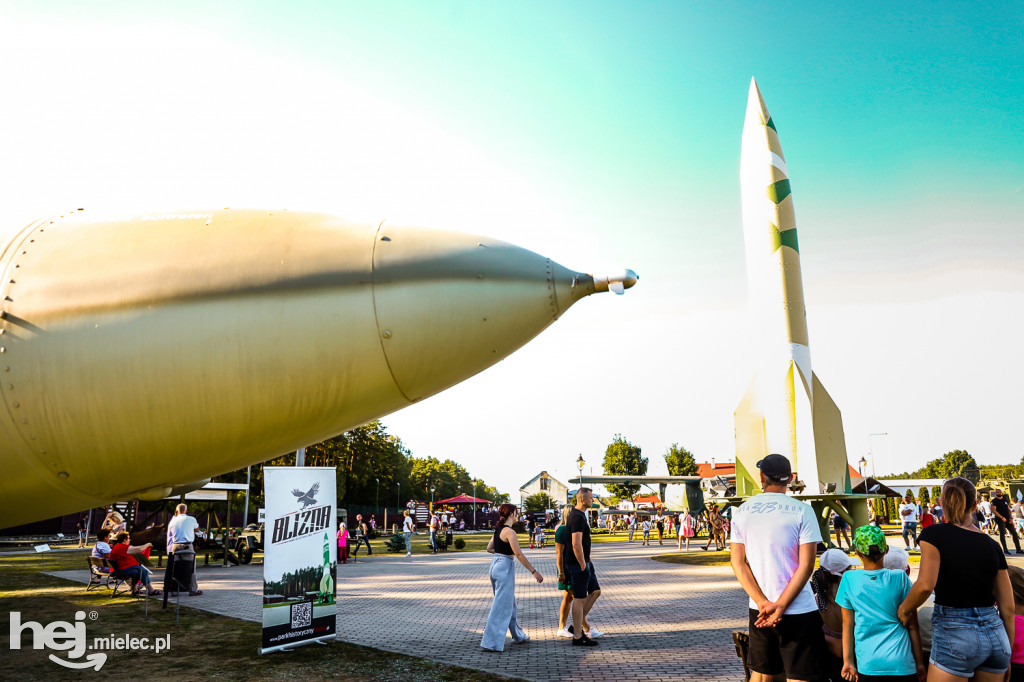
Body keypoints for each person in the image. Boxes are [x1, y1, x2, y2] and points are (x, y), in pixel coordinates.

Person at [898, 477, 1013, 680]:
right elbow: (1008, 608)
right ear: (975, 505)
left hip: (955, 631)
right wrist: (1008, 654)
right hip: (996, 635)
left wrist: (905, 609)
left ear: (942, 503)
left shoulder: (933, 535)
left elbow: (925, 585)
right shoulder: (992, 544)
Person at [730, 453, 827, 681]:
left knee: (763, 675)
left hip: (760, 609)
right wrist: (781, 605)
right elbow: (807, 565)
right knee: (800, 675)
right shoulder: (802, 510)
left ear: (762, 476)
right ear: (790, 478)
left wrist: (763, 602)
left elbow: (737, 562)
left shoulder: (743, 511)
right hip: (799, 607)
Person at [837, 524, 924, 682]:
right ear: (886, 550)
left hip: (868, 665)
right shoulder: (900, 577)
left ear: (857, 552)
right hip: (902, 663)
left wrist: (848, 662)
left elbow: (847, 625)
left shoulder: (849, 579)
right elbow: (913, 625)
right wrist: (919, 663)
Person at [480, 504, 542, 652]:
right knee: (501, 606)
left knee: (509, 603)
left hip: (495, 565)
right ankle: (491, 642)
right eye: (516, 512)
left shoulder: (499, 529)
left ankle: (518, 635)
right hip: (504, 568)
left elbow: (489, 548)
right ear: (511, 514)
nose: (518, 515)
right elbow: (519, 554)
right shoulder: (510, 532)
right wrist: (534, 572)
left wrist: (502, 552)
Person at [810, 548, 861, 677]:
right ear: (845, 572)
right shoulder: (854, 597)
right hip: (854, 656)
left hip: (827, 656)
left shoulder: (818, 599)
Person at [564, 488, 602, 647]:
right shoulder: (577, 517)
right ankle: (578, 637)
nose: (593, 500)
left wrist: (588, 561)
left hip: (586, 561)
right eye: (591, 498)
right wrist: (582, 564)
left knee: (595, 591)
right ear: (583, 499)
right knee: (579, 598)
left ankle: (576, 627)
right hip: (577, 564)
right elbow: (575, 543)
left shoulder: (579, 515)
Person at [166, 503, 203, 596]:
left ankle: (174, 590)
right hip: (188, 545)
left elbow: (170, 534)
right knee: (191, 568)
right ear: (185, 510)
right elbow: (196, 529)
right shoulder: (191, 519)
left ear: (177, 511)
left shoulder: (172, 521)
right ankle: (193, 589)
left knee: (174, 568)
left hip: (176, 546)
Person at [108, 532, 160, 596]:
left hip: (116, 570)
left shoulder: (117, 546)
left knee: (138, 570)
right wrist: (147, 544)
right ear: (124, 540)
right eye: (129, 538)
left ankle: (135, 590)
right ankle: (151, 590)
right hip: (119, 572)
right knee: (142, 570)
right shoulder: (123, 547)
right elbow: (139, 549)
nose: (130, 540)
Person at [991, 488, 1022, 555]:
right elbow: (993, 510)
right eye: (997, 492)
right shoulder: (994, 501)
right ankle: (1005, 549)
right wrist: (1002, 517)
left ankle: (1018, 549)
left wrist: (1011, 518)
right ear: (995, 493)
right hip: (1000, 520)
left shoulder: (1004, 500)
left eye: (1000, 492)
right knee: (1003, 534)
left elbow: (1008, 509)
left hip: (1008, 519)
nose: (999, 493)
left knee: (1014, 533)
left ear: (1001, 493)